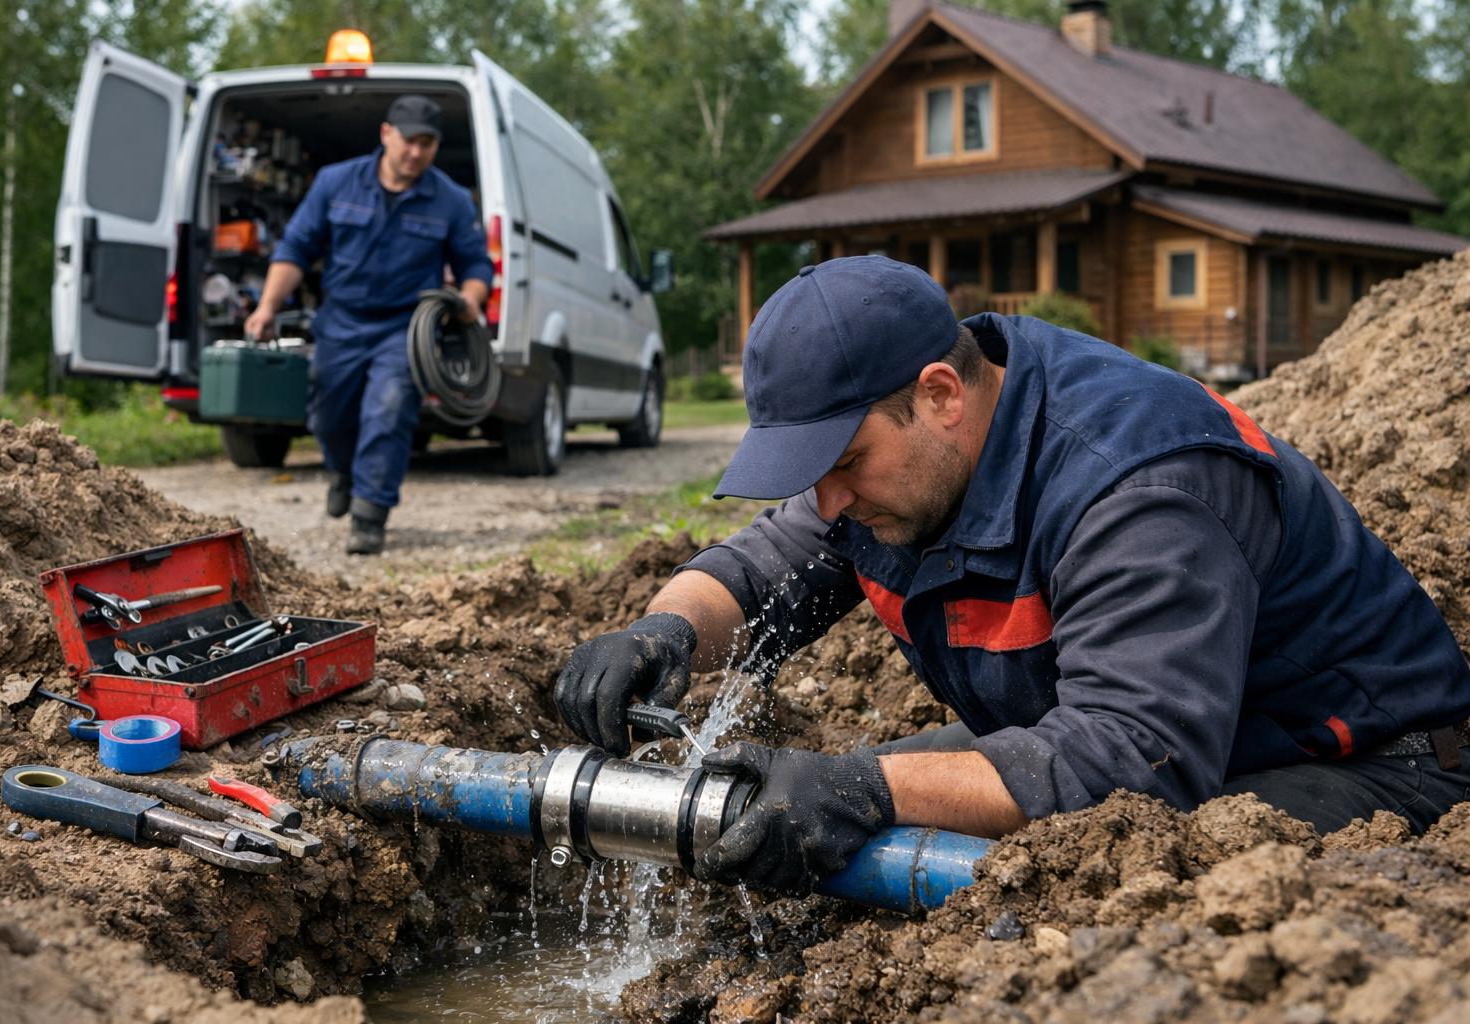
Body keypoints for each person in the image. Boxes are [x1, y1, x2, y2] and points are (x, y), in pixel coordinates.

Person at [554, 255, 1470, 897]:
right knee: (781, 829)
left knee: (1071, 899)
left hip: (1361, 771)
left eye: (841, 460)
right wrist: (664, 630)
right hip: (1119, 735)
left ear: (939, 396)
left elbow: (1130, 761)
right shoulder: (901, 462)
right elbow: (766, 565)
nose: (826, 500)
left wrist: (869, 789)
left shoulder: (1136, 487)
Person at [244, 94, 494, 555]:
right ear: (385, 134)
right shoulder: (337, 182)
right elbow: (296, 248)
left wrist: (470, 299)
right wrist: (266, 307)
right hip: (342, 321)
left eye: (427, 144)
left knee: (390, 405)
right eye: (408, 141)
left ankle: (369, 514)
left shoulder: (451, 200)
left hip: (405, 327)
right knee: (328, 414)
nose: (415, 153)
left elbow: (476, 264)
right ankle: (342, 472)